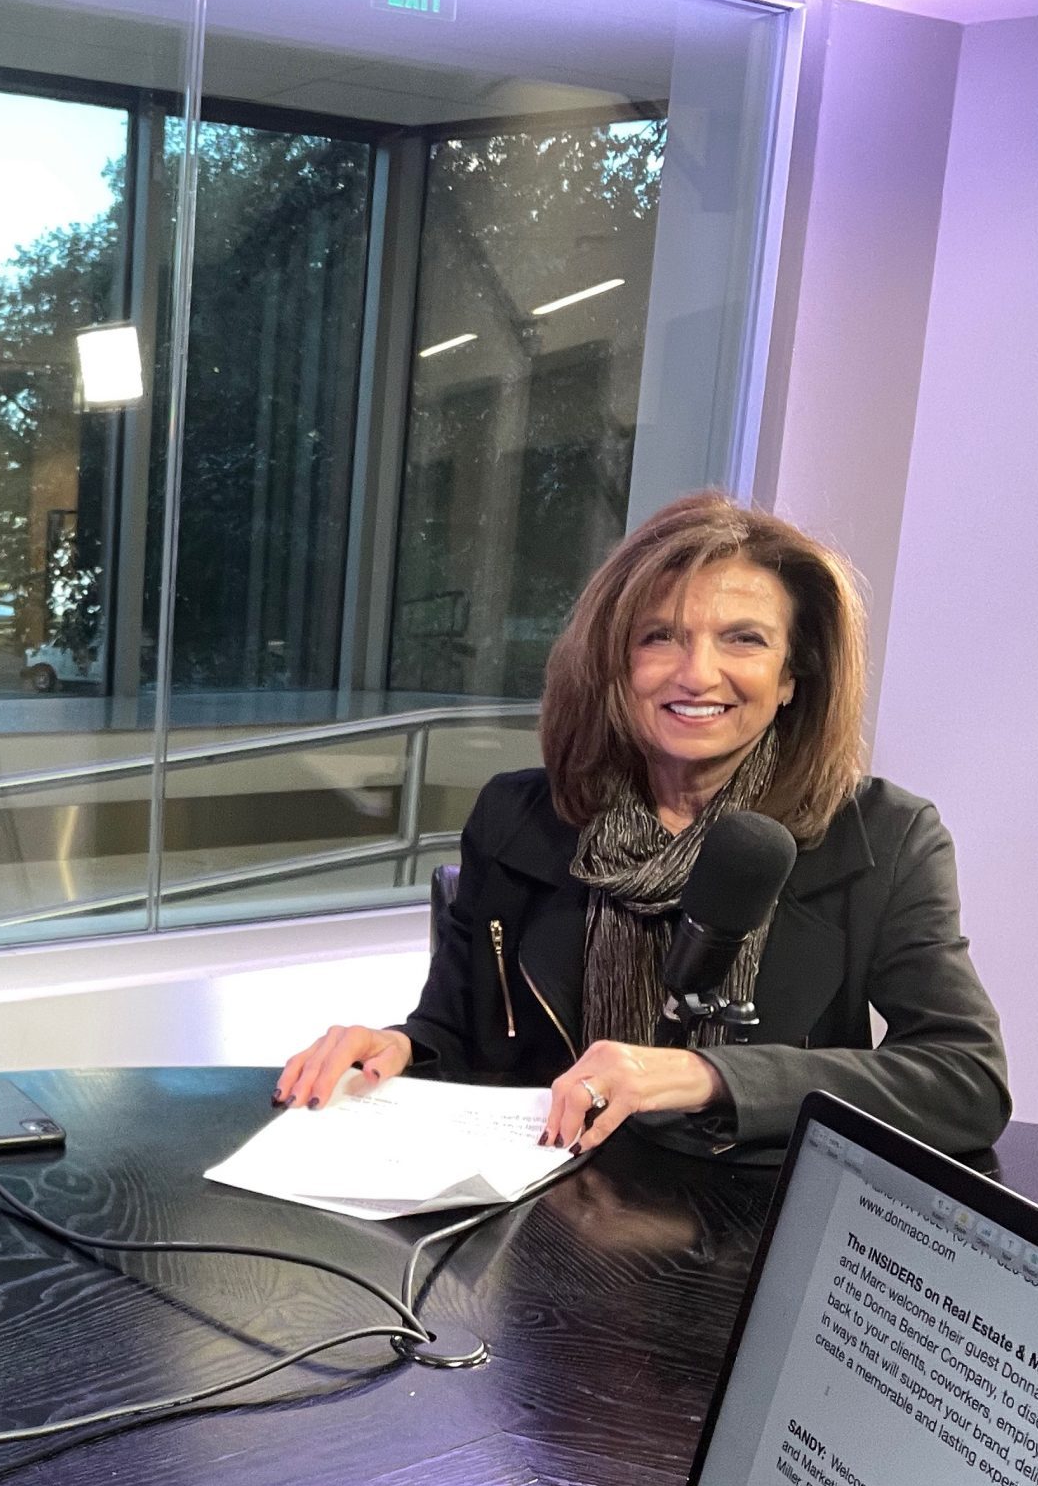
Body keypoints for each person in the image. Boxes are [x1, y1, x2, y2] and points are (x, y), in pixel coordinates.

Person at [276, 492, 1007, 1161]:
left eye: (743, 640)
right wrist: (398, 1049)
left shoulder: (885, 836)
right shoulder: (516, 818)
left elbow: (965, 1080)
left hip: (752, 1227)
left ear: (791, 677)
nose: (697, 673)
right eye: (660, 636)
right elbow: (459, 1036)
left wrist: (709, 1076)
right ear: (616, 663)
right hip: (542, 1211)